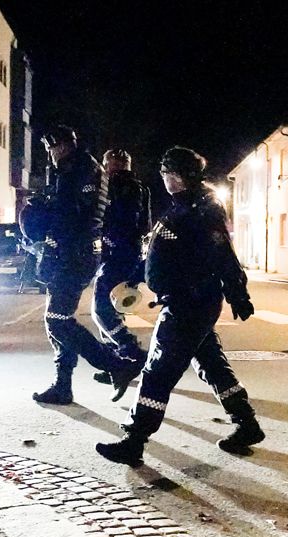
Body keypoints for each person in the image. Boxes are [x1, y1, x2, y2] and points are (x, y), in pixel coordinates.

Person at [95, 147, 263, 467]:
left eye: (168, 173)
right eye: (163, 173)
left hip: (189, 304)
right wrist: (137, 276)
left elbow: (222, 253)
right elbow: (161, 252)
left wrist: (238, 293)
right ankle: (247, 424)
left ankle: (134, 440)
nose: (165, 179)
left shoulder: (204, 208)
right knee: (211, 364)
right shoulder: (182, 206)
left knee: (158, 370)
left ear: (183, 175)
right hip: (187, 302)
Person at [28, 126, 142, 405]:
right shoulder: (80, 168)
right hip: (76, 254)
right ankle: (63, 384)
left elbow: (69, 216)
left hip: (72, 254)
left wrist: (45, 220)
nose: (50, 154)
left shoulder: (77, 170)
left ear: (64, 146)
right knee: (58, 320)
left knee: (57, 321)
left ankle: (115, 364)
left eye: (52, 148)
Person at [91, 149, 151, 386]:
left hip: (118, 255)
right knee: (111, 310)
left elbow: (124, 223)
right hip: (124, 254)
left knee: (102, 310)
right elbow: (144, 225)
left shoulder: (119, 187)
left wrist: (108, 240)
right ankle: (117, 361)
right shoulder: (138, 187)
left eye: (113, 163)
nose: (111, 167)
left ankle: (131, 352)